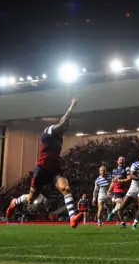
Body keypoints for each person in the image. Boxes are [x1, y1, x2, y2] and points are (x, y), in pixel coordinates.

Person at [6, 97, 84, 228]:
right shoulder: (50, 130)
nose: (67, 127)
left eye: (68, 126)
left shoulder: (59, 139)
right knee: (31, 198)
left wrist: (63, 160)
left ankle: (72, 218)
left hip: (54, 169)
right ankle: (14, 202)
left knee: (66, 188)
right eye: (66, 125)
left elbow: (54, 154)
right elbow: (62, 123)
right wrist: (71, 107)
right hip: (42, 169)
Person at [118, 152, 139, 230]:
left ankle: (134, 224)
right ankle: (123, 223)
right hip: (133, 188)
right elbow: (131, 175)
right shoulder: (135, 164)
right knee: (121, 207)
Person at [107, 157, 130, 227]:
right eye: (120, 160)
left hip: (126, 191)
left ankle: (113, 211)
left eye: (123, 160)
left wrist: (121, 180)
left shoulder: (127, 169)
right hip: (117, 190)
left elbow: (129, 179)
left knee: (121, 207)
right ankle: (122, 222)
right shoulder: (114, 171)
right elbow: (113, 182)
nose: (121, 161)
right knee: (119, 205)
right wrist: (109, 190)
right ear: (117, 162)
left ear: (124, 162)